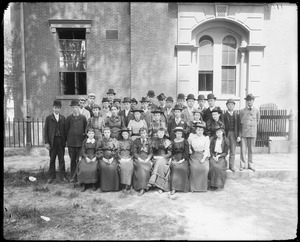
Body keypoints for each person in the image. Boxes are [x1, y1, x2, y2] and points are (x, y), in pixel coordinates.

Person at [44, 100, 68, 183]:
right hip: (52, 141)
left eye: (58, 108)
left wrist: (65, 141)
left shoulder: (63, 118)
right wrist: (47, 142)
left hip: (61, 141)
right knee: (52, 159)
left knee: (62, 159)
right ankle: (51, 176)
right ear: (52, 108)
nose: (56, 109)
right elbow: (46, 131)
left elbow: (65, 131)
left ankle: (62, 176)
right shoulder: (48, 118)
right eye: (55, 108)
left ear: (60, 109)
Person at [65, 100, 87, 183]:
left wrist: (83, 141)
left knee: (80, 160)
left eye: (76, 107)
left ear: (79, 107)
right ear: (71, 108)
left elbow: (85, 130)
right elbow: (66, 131)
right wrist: (67, 141)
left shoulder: (83, 118)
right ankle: (73, 176)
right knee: (72, 160)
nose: (75, 109)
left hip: (80, 143)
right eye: (73, 107)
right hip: (71, 143)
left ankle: (79, 176)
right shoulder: (68, 118)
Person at [239, 94, 260, 172]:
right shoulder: (242, 111)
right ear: (246, 101)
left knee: (251, 150)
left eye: (251, 100)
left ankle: (250, 164)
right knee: (243, 150)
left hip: (252, 133)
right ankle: (242, 165)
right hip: (244, 133)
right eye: (248, 100)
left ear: (253, 101)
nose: (249, 102)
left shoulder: (257, 110)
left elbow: (257, 121)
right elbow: (240, 123)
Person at [148, 128, 172, 194]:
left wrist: (162, 157)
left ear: (164, 133)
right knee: (158, 161)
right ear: (157, 133)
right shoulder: (154, 141)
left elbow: (169, 153)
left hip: (165, 158)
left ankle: (156, 183)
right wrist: (154, 156)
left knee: (160, 162)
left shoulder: (167, 141)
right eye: (159, 133)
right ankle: (157, 185)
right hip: (156, 157)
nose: (160, 134)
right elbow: (152, 152)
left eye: (162, 133)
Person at [188, 123, 210, 192]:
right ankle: (194, 188)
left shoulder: (205, 138)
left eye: (201, 130)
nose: (200, 132)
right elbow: (188, 144)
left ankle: (203, 187)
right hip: (194, 155)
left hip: (203, 155)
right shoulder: (192, 137)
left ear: (203, 131)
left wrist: (203, 159)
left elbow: (207, 150)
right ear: (196, 130)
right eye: (198, 130)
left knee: (205, 168)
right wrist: (190, 149)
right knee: (194, 168)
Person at [96, 127, 120, 192]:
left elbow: (116, 150)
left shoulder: (114, 140)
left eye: (108, 132)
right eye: (105, 132)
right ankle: (105, 187)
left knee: (113, 167)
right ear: (103, 133)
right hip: (103, 157)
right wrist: (103, 158)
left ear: (110, 133)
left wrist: (112, 158)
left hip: (112, 157)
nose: (107, 134)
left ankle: (114, 187)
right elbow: (98, 150)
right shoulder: (100, 141)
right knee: (104, 167)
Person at [132, 127, 153, 196]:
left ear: (146, 133)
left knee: (147, 166)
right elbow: (134, 152)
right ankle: (141, 187)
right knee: (141, 167)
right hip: (139, 158)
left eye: (144, 133)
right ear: (139, 134)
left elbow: (151, 152)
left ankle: (146, 186)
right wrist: (139, 158)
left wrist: (148, 158)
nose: (143, 134)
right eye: (141, 133)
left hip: (147, 158)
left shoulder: (149, 141)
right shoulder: (136, 141)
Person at [169, 127, 190, 195]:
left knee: (183, 169)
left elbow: (187, 153)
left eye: (180, 133)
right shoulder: (172, 141)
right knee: (175, 168)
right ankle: (174, 188)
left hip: (183, 158)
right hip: (175, 157)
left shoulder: (185, 141)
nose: (179, 135)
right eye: (178, 133)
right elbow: (171, 153)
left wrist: (183, 160)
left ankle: (183, 187)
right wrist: (173, 159)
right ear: (175, 134)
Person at [208, 126, 229, 191]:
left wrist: (218, 156)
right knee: (213, 166)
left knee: (219, 167)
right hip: (214, 156)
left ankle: (218, 184)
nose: (218, 134)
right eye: (217, 132)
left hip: (221, 157)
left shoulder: (226, 140)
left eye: (220, 132)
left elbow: (226, 152)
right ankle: (212, 184)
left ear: (222, 132)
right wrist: (213, 156)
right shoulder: (213, 140)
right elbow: (211, 150)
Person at [223, 99, 241, 172]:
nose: (230, 106)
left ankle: (231, 166)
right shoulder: (224, 115)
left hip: (234, 134)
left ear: (234, 106)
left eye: (232, 104)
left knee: (233, 151)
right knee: (225, 150)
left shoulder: (237, 115)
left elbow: (239, 126)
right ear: (227, 106)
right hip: (227, 134)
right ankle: (225, 165)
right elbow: (223, 126)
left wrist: (239, 136)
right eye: (229, 104)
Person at [117, 127, 134, 193]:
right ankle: (123, 185)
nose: (125, 135)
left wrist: (130, 158)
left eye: (126, 134)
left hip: (129, 157)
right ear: (121, 135)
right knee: (122, 167)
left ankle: (128, 184)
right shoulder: (119, 142)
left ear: (128, 134)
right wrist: (121, 158)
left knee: (129, 166)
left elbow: (133, 152)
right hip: (121, 157)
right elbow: (117, 152)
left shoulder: (131, 142)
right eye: (123, 134)